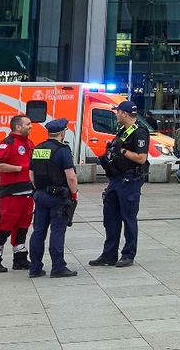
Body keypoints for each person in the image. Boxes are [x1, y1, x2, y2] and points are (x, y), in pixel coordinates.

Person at [90, 101, 149, 267]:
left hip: (130, 181)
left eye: (117, 112)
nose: (116, 114)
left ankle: (128, 254)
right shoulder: (124, 131)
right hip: (116, 179)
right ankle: (108, 255)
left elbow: (141, 158)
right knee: (110, 218)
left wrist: (122, 151)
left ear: (124, 113)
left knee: (128, 219)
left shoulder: (139, 132)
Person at [26, 118, 79, 278]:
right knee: (57, 231)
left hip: (40, 195)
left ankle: (35, 268)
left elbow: (31, 174)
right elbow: (70, 176)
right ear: (62, 133)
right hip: (58, 197)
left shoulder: (39, 148)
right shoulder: (63, 150)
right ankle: (58, 267)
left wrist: (39, 190)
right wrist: (74, 194)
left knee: (38, 232)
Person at [0, 115, 35, 273]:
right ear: (18, 127)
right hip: (11, 192)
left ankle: (20, 259)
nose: (31, 126)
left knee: (23, 225)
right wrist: (19, 169)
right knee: (6, 225)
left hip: (28, 192)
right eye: (28, 124)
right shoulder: (6, 144)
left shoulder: (29, 143)